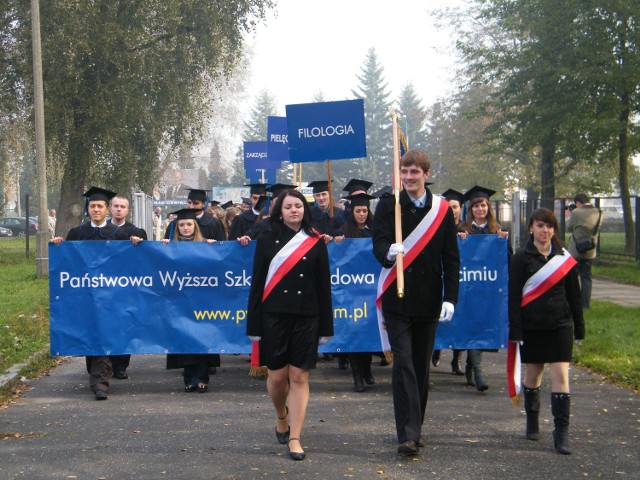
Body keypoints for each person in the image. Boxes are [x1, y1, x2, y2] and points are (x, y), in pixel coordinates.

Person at [372, 150, 460, 455]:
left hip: (428, 298)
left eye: (414, 172)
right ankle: (407, 435)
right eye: (404, 172)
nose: (409, 177)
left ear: (426, 173)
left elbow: (451, 257)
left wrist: (450, 297)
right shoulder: (389, 205)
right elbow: (378, 243)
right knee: (404, 364)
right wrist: (388, 251)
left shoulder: (442, 210)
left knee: (421, 367)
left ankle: (416, 426)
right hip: (398, 298)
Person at [247, 189, 333, 461]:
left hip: (307, 316)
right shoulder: (266, 240)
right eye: (288, 207)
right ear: (280, 211)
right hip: (274, 316)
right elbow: (257, 283)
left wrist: (326, 328)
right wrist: (254, 324)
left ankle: (295, 437)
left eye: (298, 205)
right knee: (277, 377)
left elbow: (324, 287)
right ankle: (280, 415)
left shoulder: (316, 241)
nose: (294, 210)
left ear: (305, 210)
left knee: (299, 376)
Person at [50, 187, 143, 400]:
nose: (96, 210)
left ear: (107, 209)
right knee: (91, 333)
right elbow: (69, 261)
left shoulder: (119, 235)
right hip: (85, 294)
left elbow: (130, 264)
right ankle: (95, 372)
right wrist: (58, 244)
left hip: (111, 295)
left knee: (105, 334)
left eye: (100, 206)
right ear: (88, 209)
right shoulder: (78, 233)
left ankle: (100, 383)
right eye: (92, 206)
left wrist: (136, 245)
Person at [509, 208, 584, 454]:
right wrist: (516, 329)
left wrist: (579, 327)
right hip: (532, 326)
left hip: (561, 325)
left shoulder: (564, 258)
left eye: (549, 226)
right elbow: (513, 297)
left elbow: (574, 294)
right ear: (531, 227)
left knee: (561, 376)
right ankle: (532, 419)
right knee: (534, 374)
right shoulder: (521, 258)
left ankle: (561, 431)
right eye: (540, 226)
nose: (545, 231)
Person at [457, 185, 510, 392]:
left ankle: (471, 365)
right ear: (471, 209)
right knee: (470, 326)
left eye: (483, 206)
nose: (480, 209)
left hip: (488, 290)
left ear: (488, 208)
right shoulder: (462, 229)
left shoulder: (497, 231)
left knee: (482, 327)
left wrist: (503, 244)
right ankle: (479, 372)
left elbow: (506, 261)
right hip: (468, 289)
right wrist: (459, 242)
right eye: (477, 206)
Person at [162, 208, 219, 393]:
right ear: (176, 227)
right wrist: (162, 246)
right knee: (184, 338)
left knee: (201, 338)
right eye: (182, 225)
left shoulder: (205, 245)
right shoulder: (170, 247)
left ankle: (202, 377)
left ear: (195, 226)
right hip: (179, 302)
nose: (186, 228)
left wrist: (214, 247)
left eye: (189, 224)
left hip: (202, 301)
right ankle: (189, 378)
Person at [340, 192, 377, 392]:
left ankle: (367, 369)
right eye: (358, 211)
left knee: (368, 331)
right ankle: (357, 377)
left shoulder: (375, 232)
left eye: (364, 210)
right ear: (352, 212)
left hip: (370, 290)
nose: (361, 214)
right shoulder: (344, 232)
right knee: (354, 332)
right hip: (351, 290)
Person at [108, 195, 149, 379]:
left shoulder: (136, 231)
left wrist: (140, 244)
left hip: (127, 285)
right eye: (115, 206)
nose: (118, 209)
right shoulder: (100, 230)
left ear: (127, 210)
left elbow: (146, 258)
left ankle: (121, 365)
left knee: (125, 323)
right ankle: (102, 364)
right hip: (103, 283)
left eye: (122, 206)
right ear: (110, 208)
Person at [431, 188, 466, 375]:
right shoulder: (438, 224)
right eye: (449, 207)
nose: (452, 210)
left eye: (455, 207)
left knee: (461, 319)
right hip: (438, 277)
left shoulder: (465, 228)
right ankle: (437, 348)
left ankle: (457, 359)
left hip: (458, 280)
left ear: (460, 209)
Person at [567, 194, 602, 308]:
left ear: (577, 203)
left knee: (573, 277)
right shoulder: (599, 212)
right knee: (586, 277)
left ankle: (573, 301)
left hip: (575, 250)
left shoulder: (576, 213)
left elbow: (569, 228)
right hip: (590, 250)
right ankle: (585, 304)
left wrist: (573, 211)